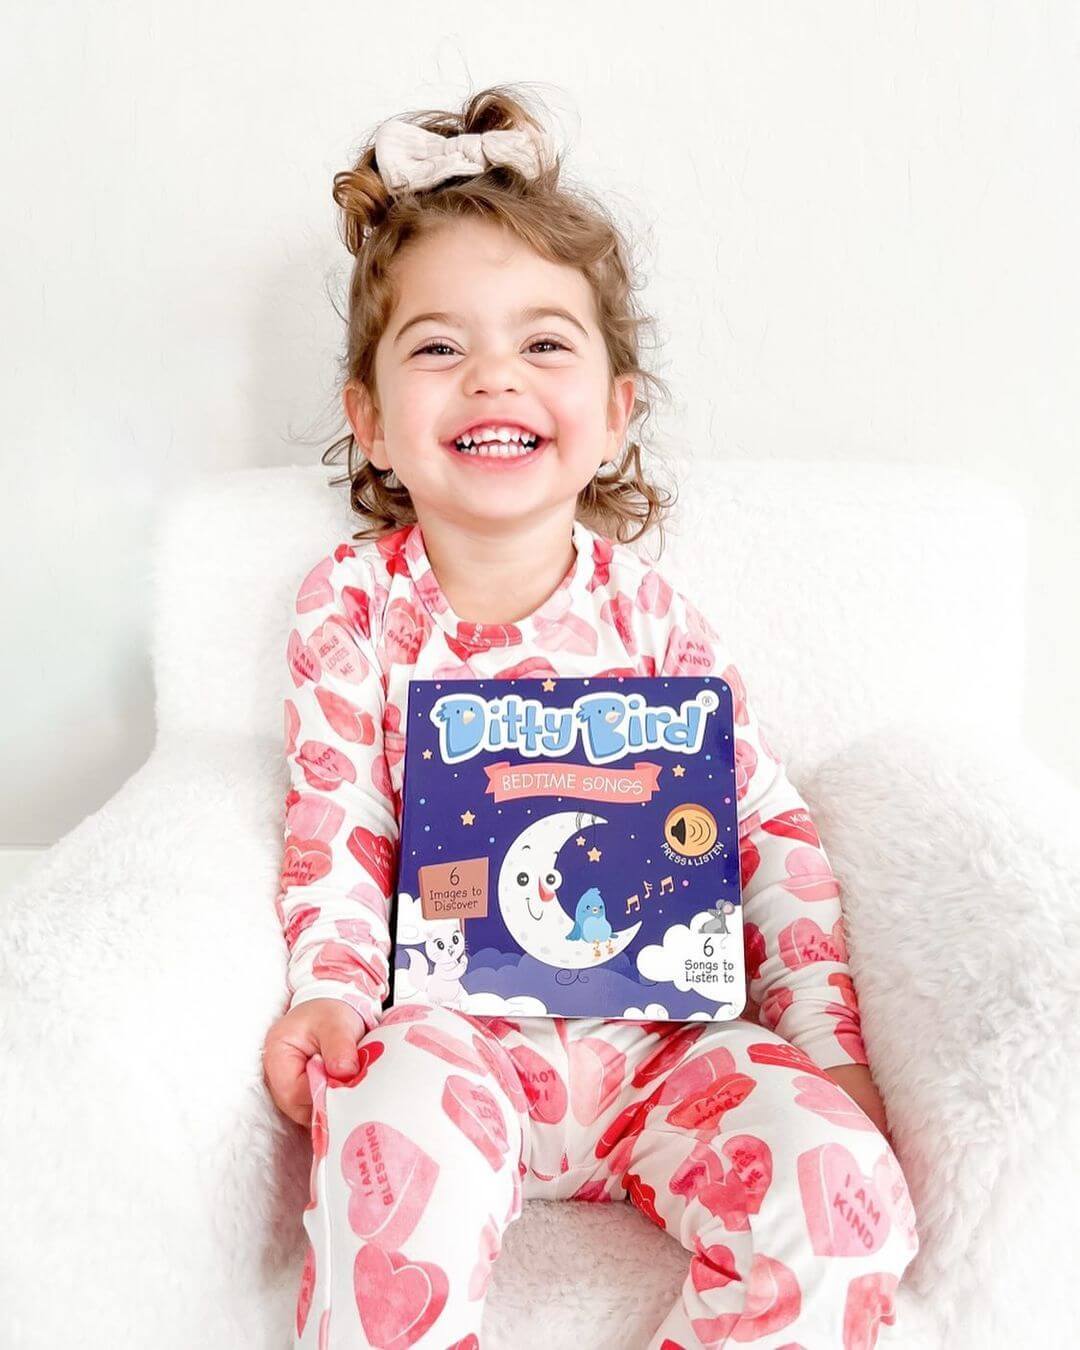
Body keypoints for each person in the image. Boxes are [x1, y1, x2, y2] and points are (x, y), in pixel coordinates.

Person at [263, 83, 919, 1350]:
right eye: (439, 347)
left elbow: (761, 825)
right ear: (371, 421)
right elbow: (333, 817)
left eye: (545, 344)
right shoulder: (355, 604)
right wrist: (334, 995)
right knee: (382, 1132)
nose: (493, 374)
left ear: (617, 409)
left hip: (662, 1047)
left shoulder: (653, 619)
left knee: (840, 1196)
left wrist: (825, 1046)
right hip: (453, 1036)